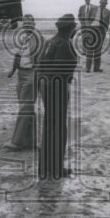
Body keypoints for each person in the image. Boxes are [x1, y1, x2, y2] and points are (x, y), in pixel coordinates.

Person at [37, 13, 79, 180]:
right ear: (70, 29)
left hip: (47, 87)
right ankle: (55, 168)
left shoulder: (50, 41)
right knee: (58, 128)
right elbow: (60, 69)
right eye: (74, 27)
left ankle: (45, 167)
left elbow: (40, 64)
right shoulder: (64, 44)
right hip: (57, 88)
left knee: (49, 126)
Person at [4, 15, 39, 151]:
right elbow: (19, 55)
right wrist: (13, 70)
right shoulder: (25, 38)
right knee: (27, 109)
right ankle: (30, 140)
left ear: (34, 23)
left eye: (29, 23)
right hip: (21, 73)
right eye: (24, 23)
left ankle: (17, 142)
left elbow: (40, 60)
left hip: (31, 74)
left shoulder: (37, 39)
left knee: (25, 108)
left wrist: (35, 75)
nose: (26, 25)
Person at [85, 0, 110, 73]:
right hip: (92, 29)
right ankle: (88, 68)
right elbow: (87, 18)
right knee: (89, 49)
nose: (103, 4)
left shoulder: (108, 12)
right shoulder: (93, 8)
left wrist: (104, 31)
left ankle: (96, 68)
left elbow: (107, 22)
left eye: (105, 3)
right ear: (99, 2)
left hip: (101, 31)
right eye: (102, 2)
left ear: (106, 4)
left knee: (98, 50)